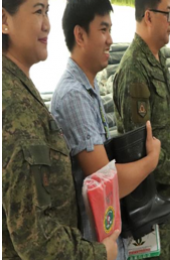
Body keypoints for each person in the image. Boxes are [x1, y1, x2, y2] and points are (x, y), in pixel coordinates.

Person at [2, 0, 120, 259]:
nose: (47, 24)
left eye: (47, 11)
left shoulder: (20, 88)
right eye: (37, 11)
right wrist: (100, 254)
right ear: (4, 20)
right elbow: (36, 239)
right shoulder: (13, 104)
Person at [51, 1, 161, 259]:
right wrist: (151, 160)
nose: (110, 40)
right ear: (80, 35)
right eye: (103, 30)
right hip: (93, 246)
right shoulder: (74, 96)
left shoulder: (88, 91)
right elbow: (108, 184)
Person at [113, 0, 170, 259]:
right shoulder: (134, 69)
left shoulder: (158, 58)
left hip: (167, 203)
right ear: (149, 17)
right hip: (149, 208)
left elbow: (162, 128)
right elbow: (140, 147)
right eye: (168, 13)